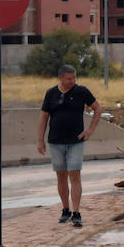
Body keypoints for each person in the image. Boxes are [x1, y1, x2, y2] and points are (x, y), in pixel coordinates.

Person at [36, 64, 102, 227]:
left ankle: (76, 212)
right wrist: (40, 139)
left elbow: (98, 108)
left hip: (75, 141)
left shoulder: (82, 91)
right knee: (61, 175)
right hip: (55, 141)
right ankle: (65, 209)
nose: (72, 81)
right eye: (69, 79)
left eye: (74, 78)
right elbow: (44, 117)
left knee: (75, 174)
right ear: (61, 78)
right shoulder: (51, 93)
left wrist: (90, 130)